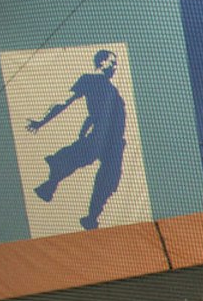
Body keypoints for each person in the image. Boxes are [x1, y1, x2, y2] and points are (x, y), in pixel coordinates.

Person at [26, 49, 128, 231]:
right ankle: (53, 177)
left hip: (113, 142)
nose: (115, 67)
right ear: (102, 62)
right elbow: (64, 101)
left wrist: (84, 130)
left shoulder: (112, 91)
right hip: (101, 139)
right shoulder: (89, 80)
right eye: (113, 62)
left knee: (108, 179)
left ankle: (90, 217)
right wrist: (41, 121)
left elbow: (97, 116)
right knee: (84, 159)